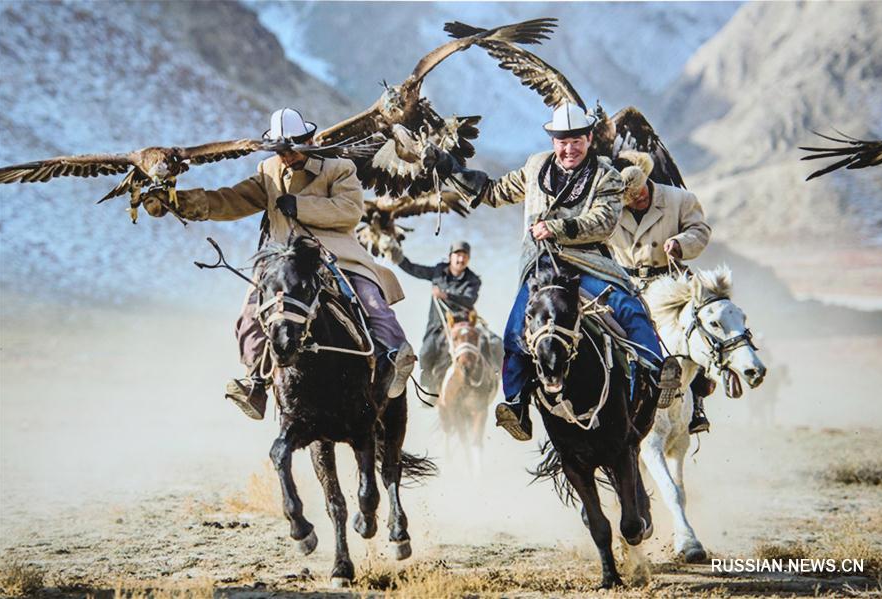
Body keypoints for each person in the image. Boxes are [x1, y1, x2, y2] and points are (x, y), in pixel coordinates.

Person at [425, 102, 681, 441]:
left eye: (576, 140)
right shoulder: (535, 167)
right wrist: (449, 167)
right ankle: (515, 404)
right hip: (541, 269)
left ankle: (655, 372)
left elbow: (603, 221)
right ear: (553, 141)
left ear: (589, 139)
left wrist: (557, 228)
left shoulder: (606, 174)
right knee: (515, 332)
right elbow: (495, 191)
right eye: (563, 140)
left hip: (587, 263)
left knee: (628, 306)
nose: (569, 147)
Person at [142, 108, 416, 419]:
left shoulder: (339, 168)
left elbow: (349, 210)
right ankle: (256, 383)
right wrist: (177, 202)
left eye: (290, 150)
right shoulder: (268, 170)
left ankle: (394, 358)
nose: (285, 157)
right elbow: (231, 199)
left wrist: (300, 206)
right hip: (283, 264)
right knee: (249, 319)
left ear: (308, 140)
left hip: (336, 257)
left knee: (371, 302)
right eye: (280, 151)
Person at [607, 151, 715, 433]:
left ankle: (697, 403)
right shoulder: (608, 208)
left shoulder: (680, 199)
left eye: (640, 191)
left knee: (698, 328)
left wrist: (680, 243)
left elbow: (700, 230)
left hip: (669, 282)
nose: (638, 199)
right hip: (625, 285)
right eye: (630, 198)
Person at [391, 241, 481, 392]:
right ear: (450, 257)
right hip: (436, 326)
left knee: (491, 344)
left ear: (468, 259)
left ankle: (484, 383)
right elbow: (414, 269)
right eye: (457, 255)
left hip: (461, 326)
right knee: (425, 353)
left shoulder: (473, 280)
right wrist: (397, 256)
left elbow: (469, 300)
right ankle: (428, 389)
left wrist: (444, 295)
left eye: (464, 256)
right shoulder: (438, 272)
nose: (461, 259)